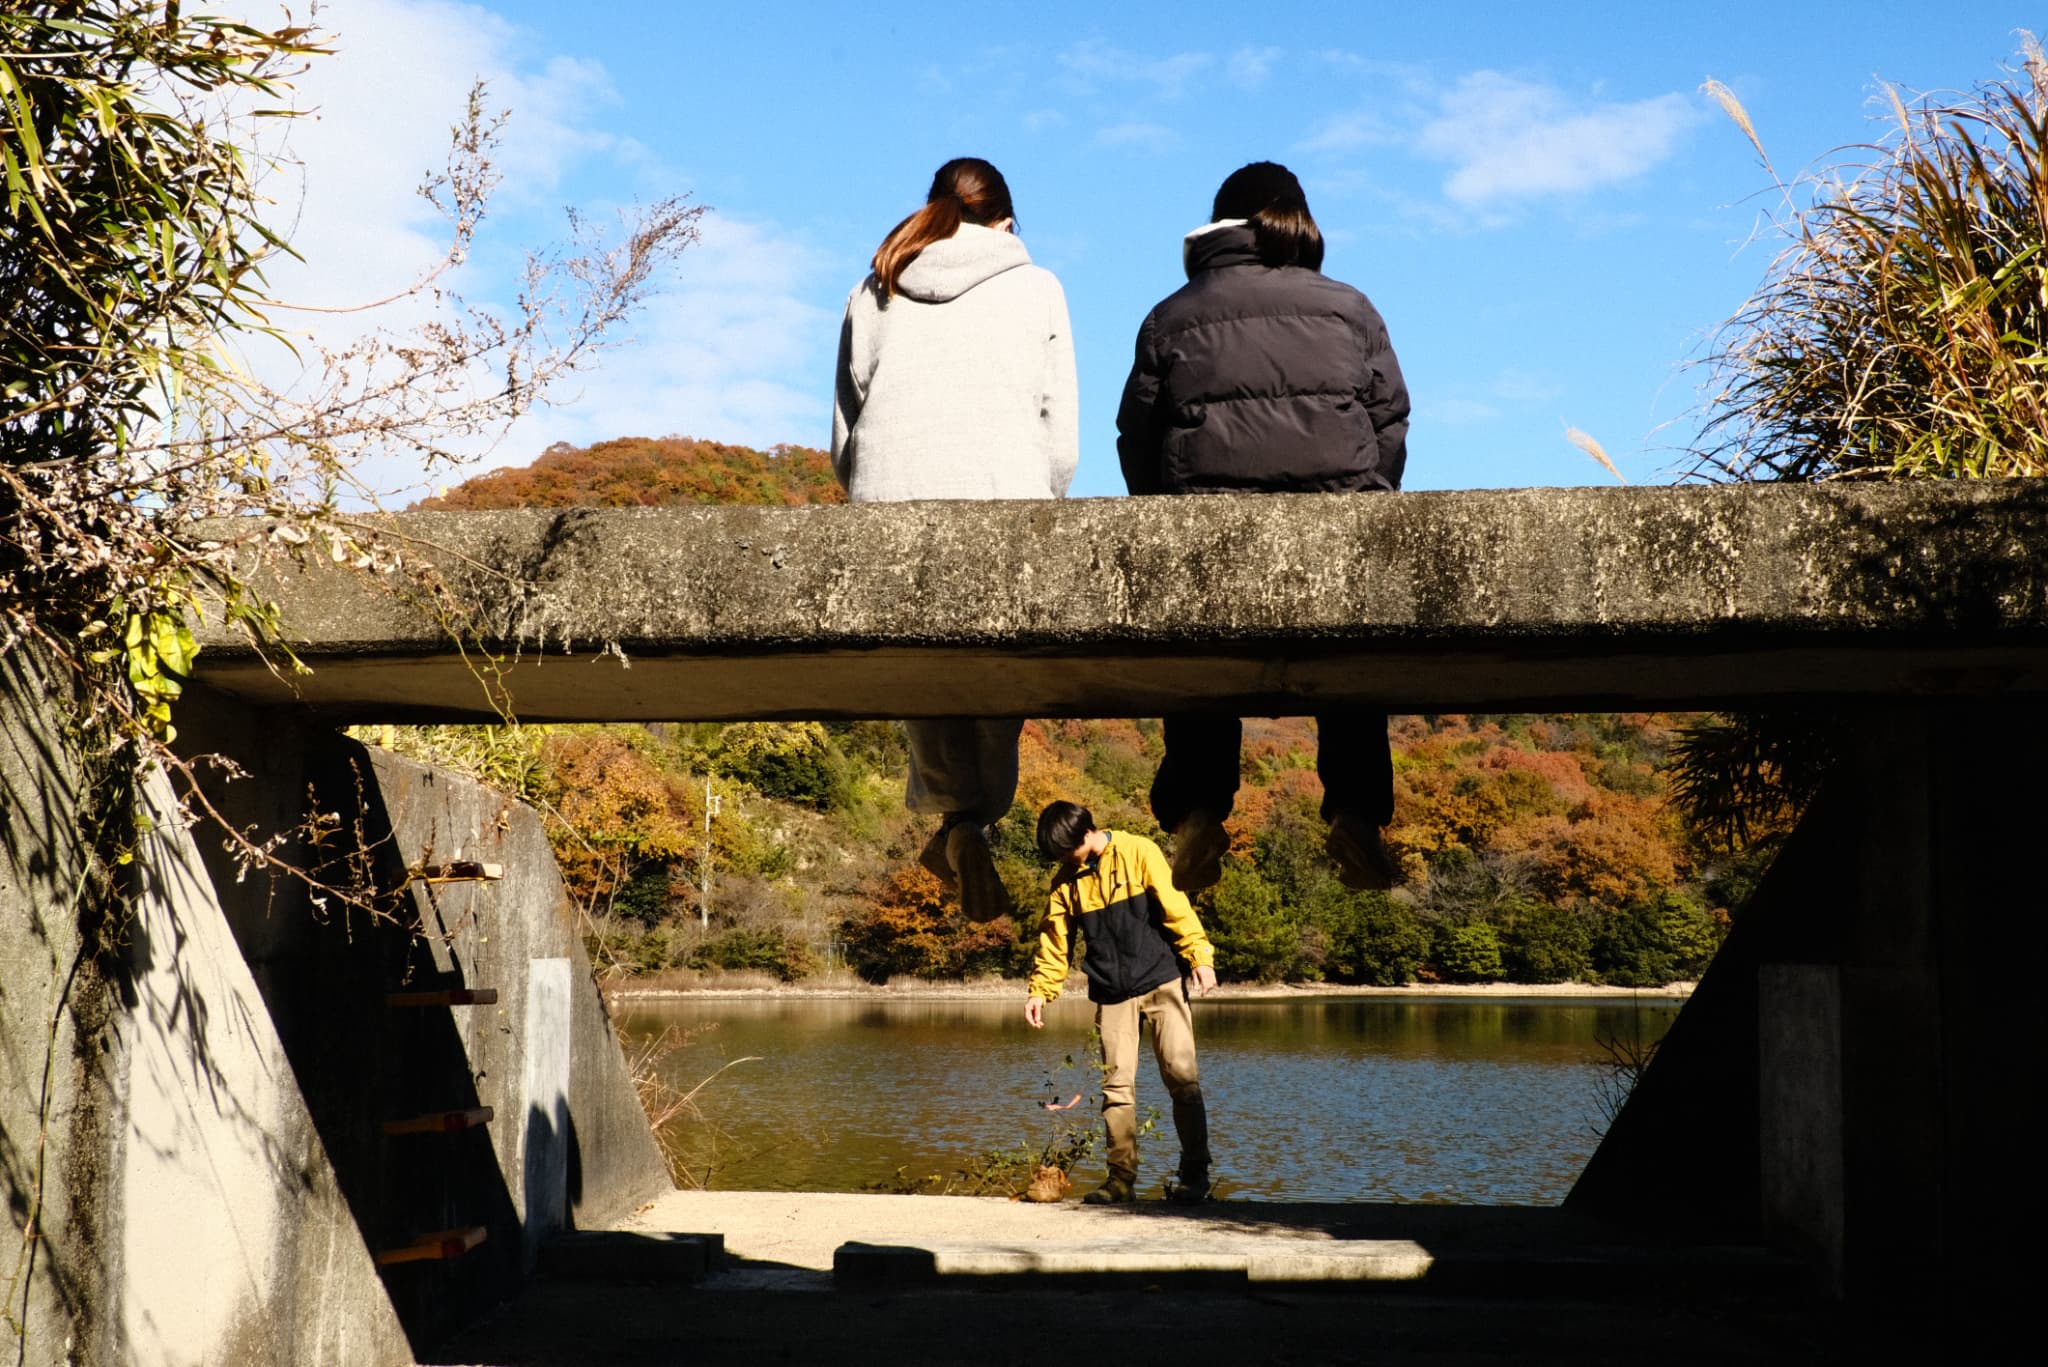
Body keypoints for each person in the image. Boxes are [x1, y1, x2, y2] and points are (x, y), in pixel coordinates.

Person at [1115, 161, 1410, 895]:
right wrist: (1363, 498)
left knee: (1197, 657)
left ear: (1221, 226)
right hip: (1334, 545)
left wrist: (1170, 513)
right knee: (1351, 653)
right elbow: (1390, 424)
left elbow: (1135, 437)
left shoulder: (1171, 315)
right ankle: (1354, 810)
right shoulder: (1352, 309)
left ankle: (1197, 808)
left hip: (1205, 544)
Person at [832, 158, 1079, 922]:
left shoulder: (876, 286)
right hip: (1004, 498)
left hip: (891, 506)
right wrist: (1044, 497)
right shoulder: (1038, 286)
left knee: (928, 664)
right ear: (1005, 221)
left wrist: (871, 490)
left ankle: (957, 822)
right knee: (991, 666)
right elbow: (1060, 438)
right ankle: (971, 822)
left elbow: (846, 429)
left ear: (937, 209)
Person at [1025, 799, 1217, 1203]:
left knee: (1183, 1079)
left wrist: (1199, 956)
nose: (1062, 860)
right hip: (1112, 994)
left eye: (1065, 850)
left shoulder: (1138, 851)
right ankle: (1121, 1181)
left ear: (1086, 834)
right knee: (1117, 1089)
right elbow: (1056, 941)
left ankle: (1195, 1174)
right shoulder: (1065, 881)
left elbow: (1175, 907)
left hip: (1162, 981)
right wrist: (1041, 990)